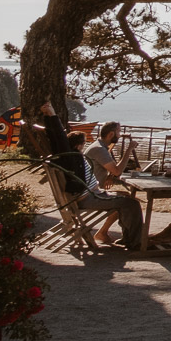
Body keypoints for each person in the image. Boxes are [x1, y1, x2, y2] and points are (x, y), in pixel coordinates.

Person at [37, 102, 143, 250]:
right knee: (131, 203)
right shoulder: (70, 157)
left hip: (90, 195)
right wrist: (52, 114)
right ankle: (136, 243)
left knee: (127, 201)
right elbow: (60, 140)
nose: (84, 146)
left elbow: (56, 140)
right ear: (76, 146)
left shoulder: (66, 157)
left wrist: (48, 117)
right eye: (83, 143)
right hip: (89, 198)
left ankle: (129, 239)